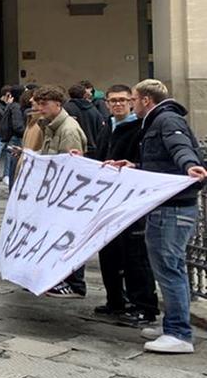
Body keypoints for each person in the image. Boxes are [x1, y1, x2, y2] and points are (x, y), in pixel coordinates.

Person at [108, 79, 207, 354]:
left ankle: (179, 333)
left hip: (173, 209)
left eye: (135, 99)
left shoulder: (166, 120)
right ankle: (173, 325)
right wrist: (135, 166)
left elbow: (180, 147)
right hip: (166, 206)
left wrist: (191, 166)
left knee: (169, 268)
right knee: (167, 268)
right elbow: (161, 160)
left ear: (146, 100)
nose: (132, 104)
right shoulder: (156, 121)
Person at [92, 85, 161, 328]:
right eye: (113, 101)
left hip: (131, 203)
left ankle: (144, 306)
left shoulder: (139, 128)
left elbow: (146, 161)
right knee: (109, 252)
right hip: (107, 202)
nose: (118, 104)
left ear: (131, 102)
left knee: (135, 256)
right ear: (107, 103)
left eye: (122, 100)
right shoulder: (106, 127)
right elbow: (99, 157)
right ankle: (115, 300)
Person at [31, 85, 90, 299]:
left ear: (58, 104)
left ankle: (74, 283)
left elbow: (72, 165)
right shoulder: (50, 127)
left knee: (68, 238)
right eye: (38, 103)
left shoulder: (68, 130)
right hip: (53, 194)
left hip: (66, 196)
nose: (40, 108)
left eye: (44, 104)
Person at [0, 86, 24, 186]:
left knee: (9, 155)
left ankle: (6, 175)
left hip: (9, 134)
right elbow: (2, 114)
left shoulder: (14, 106)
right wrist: (8, 105)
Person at [65, 83, 106, 160]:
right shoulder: (94, 110)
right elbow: (101, 130)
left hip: (74, 151)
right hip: (93, 151)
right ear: (84, 95)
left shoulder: (65, 109)